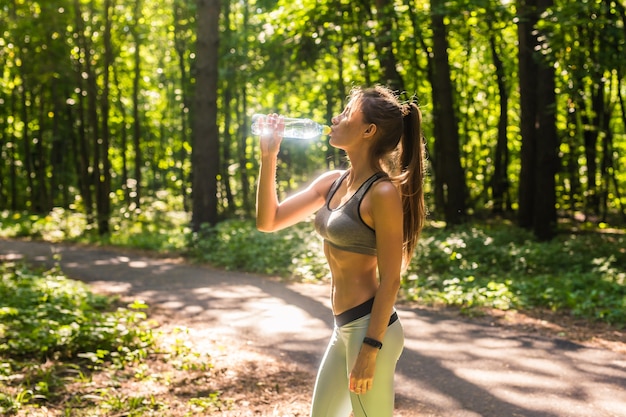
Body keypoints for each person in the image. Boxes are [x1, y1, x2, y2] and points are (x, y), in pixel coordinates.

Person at [256, 85, 426, 417]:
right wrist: (269, 155)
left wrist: (370, 349)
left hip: (370, 331)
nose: (336, 117)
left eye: (347, 112)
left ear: (368, 131)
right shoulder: (333, 181)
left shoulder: (382, 193)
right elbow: (269, 220)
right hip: (343, 328)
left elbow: (391, 278)